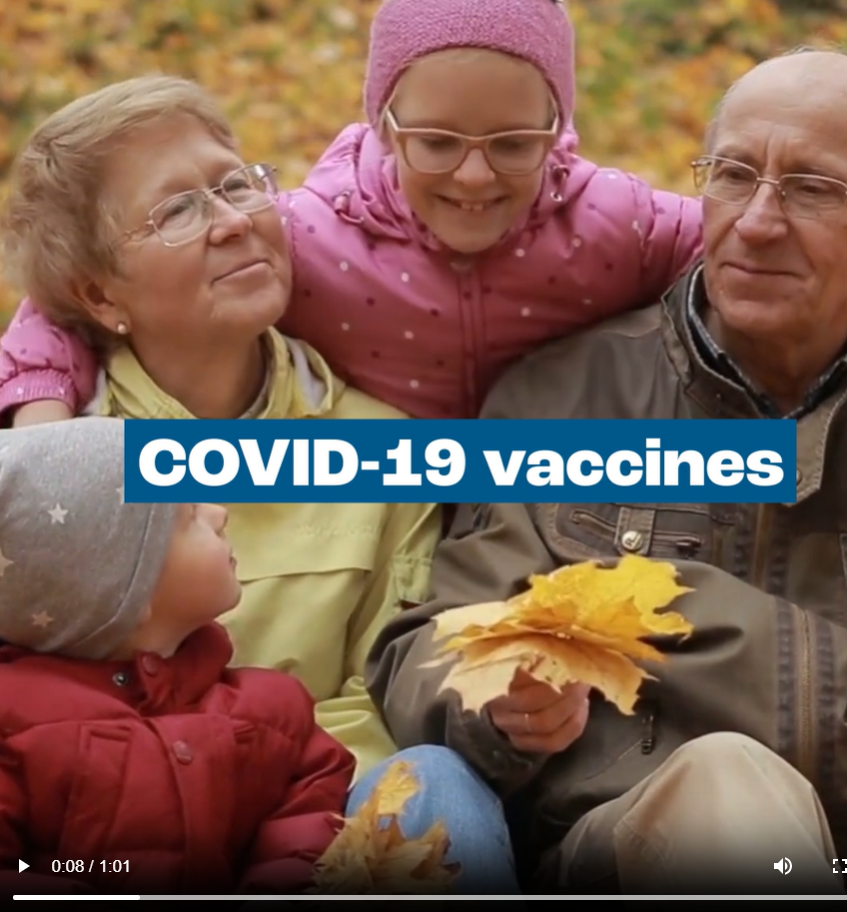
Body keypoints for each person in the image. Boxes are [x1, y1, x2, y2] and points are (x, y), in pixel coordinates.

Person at [364, 49, 847, 896]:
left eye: (812, 189)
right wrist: (498, 705)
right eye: (733, 175)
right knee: (729, 782)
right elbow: (424, 645)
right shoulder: (567, 396)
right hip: (617, 847)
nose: (759, 221)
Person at [0, 76, 518, 894]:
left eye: (235, 183)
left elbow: (384, 683)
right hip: (107, 822)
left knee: (439, 787)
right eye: (176, 210)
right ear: (101, 295)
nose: (235, 220)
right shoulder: (51, 460)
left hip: (327, 807)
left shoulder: (385, 444)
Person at [4, 0, 847, 427]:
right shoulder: (307, 234)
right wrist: (40, 403)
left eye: (513, 145)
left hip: (539, 506)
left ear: (558, 127)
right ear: (383, 124)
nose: (475, 178)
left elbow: (781, 240)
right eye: (437, 142)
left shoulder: (613, 224)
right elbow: (80, 280)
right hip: (374, 510)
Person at [0, 417, 355, 896]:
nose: (219, 513)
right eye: (189, 513)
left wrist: (284, 872)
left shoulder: (273, 711)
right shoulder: (15, 727)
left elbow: (307, 810)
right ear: (123, 592)